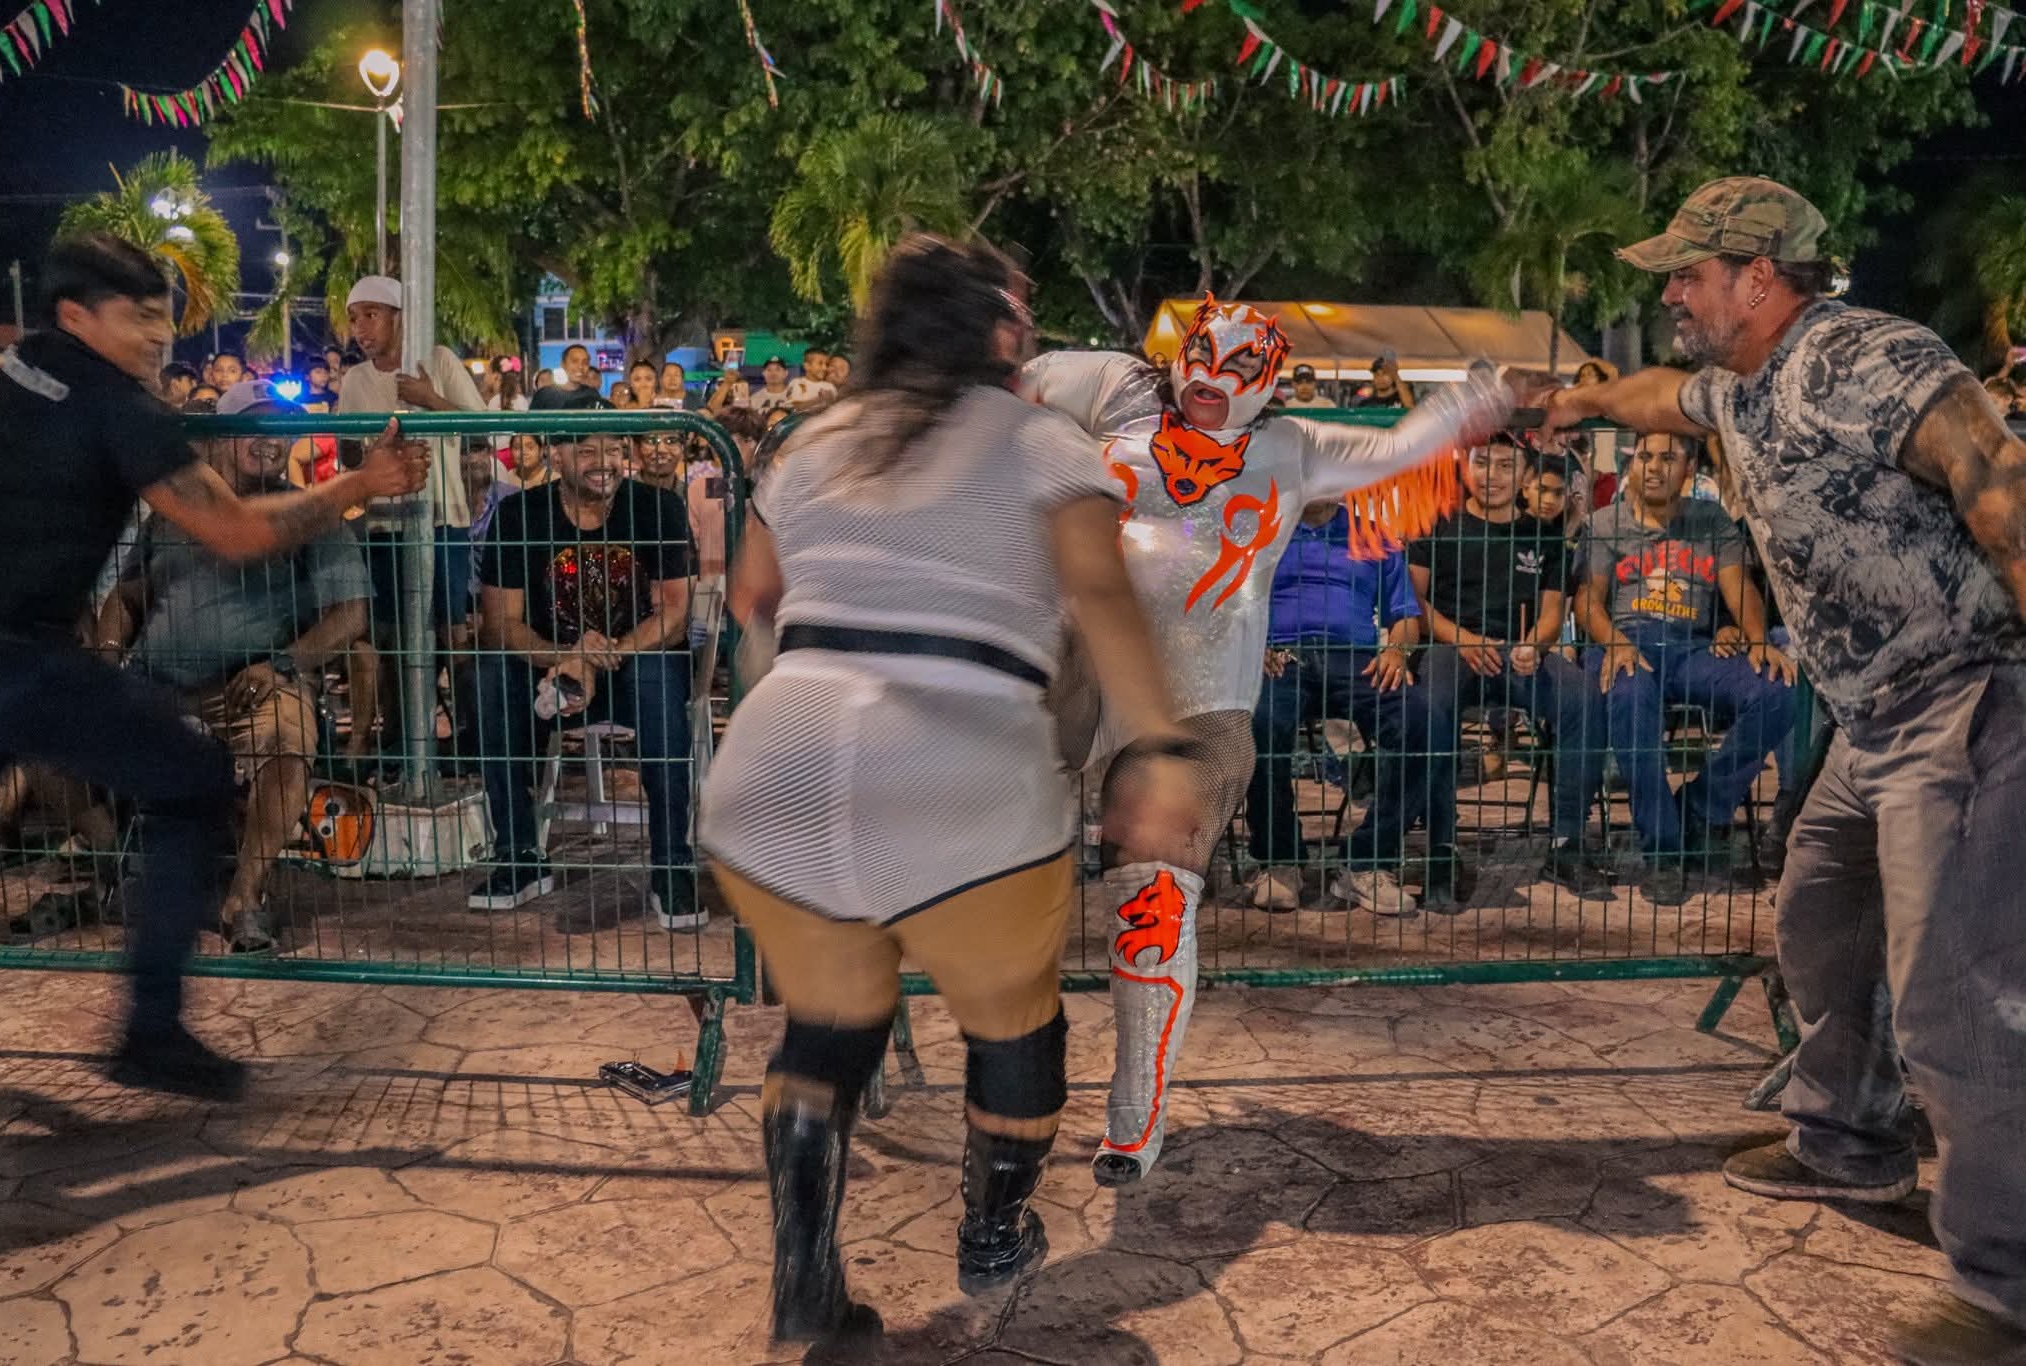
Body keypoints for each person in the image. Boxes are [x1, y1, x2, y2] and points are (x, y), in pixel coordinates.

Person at [1547, 175, 2026, 1364]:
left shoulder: (1859, 356)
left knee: (1954, 996)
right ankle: (1844, 1140)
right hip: (1871, 721)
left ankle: (2006, 1284)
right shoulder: (1741, 383)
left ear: (1755, 276)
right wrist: (1582, 397)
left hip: (1961, 702)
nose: (1669, 292)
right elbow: (1663, 399)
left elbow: (1991, 474)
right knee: (1816, 916)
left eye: (1687, 273)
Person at [701, 234, 1201, 1348]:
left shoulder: (812, 441)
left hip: (781, 765)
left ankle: (805, 1279)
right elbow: (1101, 596)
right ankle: (992, 1232)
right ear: (997, 331)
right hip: (960, 761)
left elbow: (750, 596)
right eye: (1020, 310)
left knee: (828, 1021)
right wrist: (1161, 749)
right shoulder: (1041, 442)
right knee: (1014, 1019)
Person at [1026, 295, 1511, 1184]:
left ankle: (1134, 1121)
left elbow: (1403, 448)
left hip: (1196, 712)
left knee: (1153, 901)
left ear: (1272, 381)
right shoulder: (1114, 394)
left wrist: (1482, 399)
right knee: (993, 882)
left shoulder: (1292, 450)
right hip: (1063, 681)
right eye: (1204, 352)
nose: (1215, 375)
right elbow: (1001, 388)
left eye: (1244, 364)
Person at [0, 233, 425, 1100]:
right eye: (139, 317)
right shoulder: (121, 408)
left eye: (164, 318)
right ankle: (151, 1031)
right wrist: (359, 484)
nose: (160, 337)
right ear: (76, 316)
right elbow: (239, 532)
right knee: (192, 780)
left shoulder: (22, 366)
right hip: (16, 658)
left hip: (14, 655)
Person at [95, 379, 374, 954]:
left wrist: (283, 663)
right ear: (222, 436)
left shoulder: (311, 514)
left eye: (282, 430)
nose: (272, 440)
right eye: (255, 426)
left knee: (288, 741)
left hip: (252, 683)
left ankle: (244, 898)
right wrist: (106, 657)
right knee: (49, 725)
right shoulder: (172, 515)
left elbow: (350, 615)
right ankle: (118, 869)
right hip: (156, 682)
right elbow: (127, 596)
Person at [470, 399, 699, 928]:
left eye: (614, 449)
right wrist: (569, 658)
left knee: (660, 676)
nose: (605, 462)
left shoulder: (657, 507)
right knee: (488, 678)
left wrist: (605, 654)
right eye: (588, 449)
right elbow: (500, 623)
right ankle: (518, 857)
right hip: (548, 670)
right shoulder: (519, 514)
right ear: (555, 455)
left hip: (635, 663)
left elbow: (673, 615)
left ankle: (672, 864)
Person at [1576, 431, 1795, 905]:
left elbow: (1739, 587)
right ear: (1632, 464)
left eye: (1668, 458)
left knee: (1779, 689)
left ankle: (1701, 807)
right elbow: (1587, 601)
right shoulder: (1604, 522)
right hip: (1626, 641)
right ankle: (1663, 851)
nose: (1654, 467)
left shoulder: (1711, 520)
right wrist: (1615, 643)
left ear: (1689, 470)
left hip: (1691, 646)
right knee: (1630, 693)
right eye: (1645, 457)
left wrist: (1757, 639)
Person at [1408, 433, 1615, 899]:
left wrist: (1534, 646)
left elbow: (1551, 614)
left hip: (1516, 651)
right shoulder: (1437, 523)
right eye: (1482, 463)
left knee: (1582, 697)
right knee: (1429, 705)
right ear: (1466, 467)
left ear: (1524, 475)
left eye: (1506, 466)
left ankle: (1567, 842)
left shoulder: (1544, 536)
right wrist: (1463, 639)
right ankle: (1442, 846)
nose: (1492, 476)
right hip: (1450, 647)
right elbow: (1414, 603)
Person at [1243, 501, 1430, 914]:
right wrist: (1253, 647)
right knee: (1258, 722)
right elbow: (1232, 604)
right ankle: (1280, 859)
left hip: (1355, 659)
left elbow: (1405, 618)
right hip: (1280, 656)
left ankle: (1367, 862)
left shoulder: (1374, 535)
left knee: (1420, 719)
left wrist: (1397, 651)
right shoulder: (1263, 530)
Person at [335, 274, 487, 727]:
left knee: (452, 630)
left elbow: (483, 427)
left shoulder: (438, 360)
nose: (361, 329)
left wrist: (428, 399)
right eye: (354, 319)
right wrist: (372, 448)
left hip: (443, 517)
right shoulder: (355, 380)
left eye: (371, 315)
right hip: (384, 522)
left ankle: (470, 736)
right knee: (390, 635)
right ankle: (402, 736)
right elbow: (347, 453)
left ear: (400, 319)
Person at [1349, 351, 1415, 409]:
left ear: (1393, 375)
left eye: (1385, 374)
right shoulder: (1365, 404)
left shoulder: (1403, 399)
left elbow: (1410, 407)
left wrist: (1396, 376)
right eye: (1376, 375)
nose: (1380, 378)